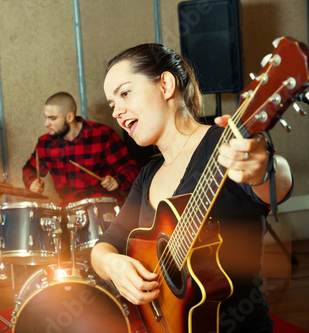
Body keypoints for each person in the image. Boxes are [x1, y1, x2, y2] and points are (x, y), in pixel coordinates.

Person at [91, 43, 293, 332]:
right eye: (112, 105)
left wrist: (264, 169)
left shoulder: (225, 145)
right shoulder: (147, 175)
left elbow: (275, 181)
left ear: (165, 84)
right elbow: (106, 244)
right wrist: (112, 265)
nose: (117, 112)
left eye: (125, 93)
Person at [22, 91, 139, 206]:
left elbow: (131, 169)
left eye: (52, 118)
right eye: (46, 118)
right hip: (69, 211)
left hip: (104, 207)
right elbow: (28, 169)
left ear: (69, 117)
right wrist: (32, 182)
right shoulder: (45, 143)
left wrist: (117, 181)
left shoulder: (103, 135)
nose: (46, 123)